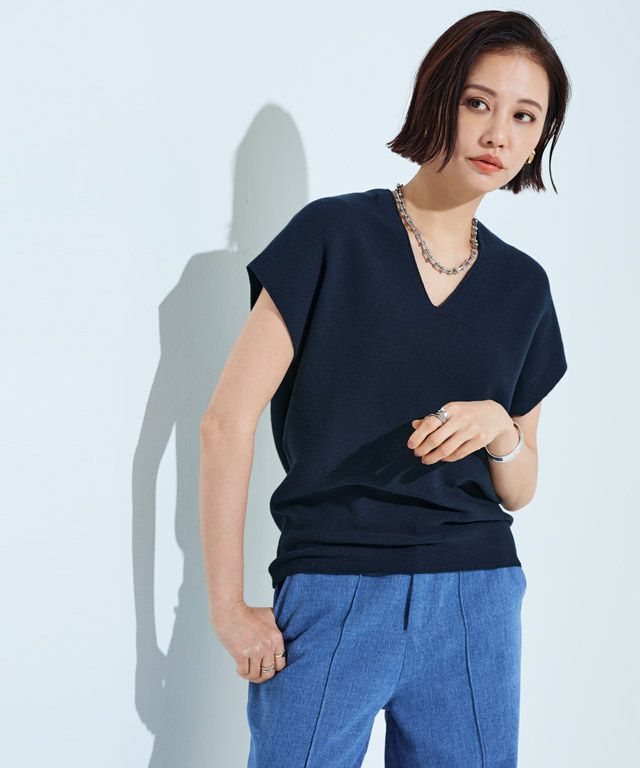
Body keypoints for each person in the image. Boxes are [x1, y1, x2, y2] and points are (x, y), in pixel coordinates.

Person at [199, 9, 571, 768]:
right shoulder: (331, 237)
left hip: (475, 598)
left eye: (524, 116)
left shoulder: (524, 287)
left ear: (540, 136)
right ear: (438, 98)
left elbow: (521, 485)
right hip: (332, 590)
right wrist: (227, 607)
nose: (498, 134)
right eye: (478, 102)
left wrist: (501, 428)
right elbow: (224, 424)